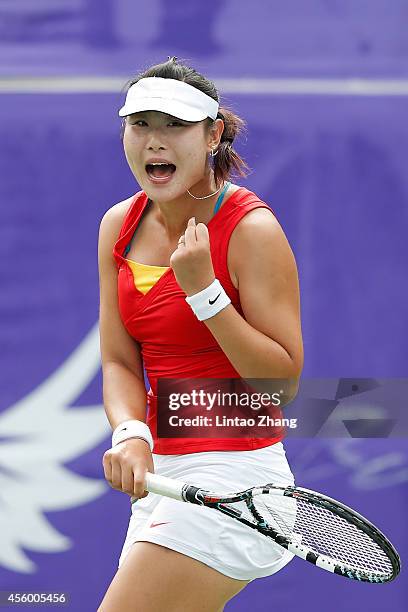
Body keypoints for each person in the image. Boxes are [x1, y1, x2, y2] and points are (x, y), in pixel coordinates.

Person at [97, 57, 303, 612]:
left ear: (213, 135)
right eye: (141, 124)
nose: (154, 142)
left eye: (174, 125)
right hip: (164, 479)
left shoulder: (252, 230)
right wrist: (131, 434)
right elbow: (118, 359)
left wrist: (206, 295)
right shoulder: (119, 225)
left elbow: (280, 388)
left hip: (238, 483)